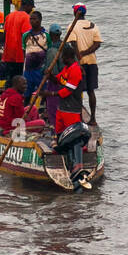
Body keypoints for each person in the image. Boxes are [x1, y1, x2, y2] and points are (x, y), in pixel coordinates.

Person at [45, 43, 87, 174]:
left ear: (68, 57)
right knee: (60, 133)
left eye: (63, 57)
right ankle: (64, 158)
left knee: (74, 137)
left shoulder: (75, 70)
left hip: (72, 109)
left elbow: (69, 89)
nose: (61, 60)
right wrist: (50, 75)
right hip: (62, 108)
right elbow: (59, 80)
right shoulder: (67, 68)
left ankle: (77, 164)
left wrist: (51, 94)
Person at [66, 3, 102, 123]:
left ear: (75, 12)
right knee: (91, 91)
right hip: (92, 61)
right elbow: (97, 44)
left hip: (79, 63)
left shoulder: (72, 26)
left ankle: (79, 118)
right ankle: (93, 118)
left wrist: (80, 55)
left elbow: (73, 44)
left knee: (78, 91)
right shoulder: (93, 25)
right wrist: (87, 52)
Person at [0, 0, 35, 83]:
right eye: (31, 7)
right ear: (27, 6)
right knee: (19, 80)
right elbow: (26, 36)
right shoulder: (26, 17)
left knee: (10, 80)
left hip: (8, 54)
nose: (31, 10)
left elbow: (4, 34)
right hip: (19, 55)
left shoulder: (9, 16)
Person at [23, 10, 47, 100]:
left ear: (40, 20)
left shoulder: (45, 35)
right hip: (28, 69)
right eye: (31, 19)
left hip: (40, 69)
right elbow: (24, 51)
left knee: (43, 91)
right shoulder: (25, 35)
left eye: (34, 19)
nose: (32, 21)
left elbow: (48, 51)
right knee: (27, 93)